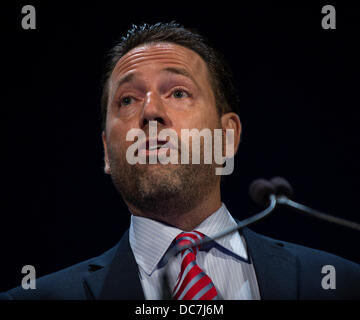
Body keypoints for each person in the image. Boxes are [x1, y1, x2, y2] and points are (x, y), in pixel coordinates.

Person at [1, 22, 359, 300]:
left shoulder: (342, 284)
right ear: (108, 153)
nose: (151, 112)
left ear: (227, 137)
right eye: (127, 100)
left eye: (178, 92)